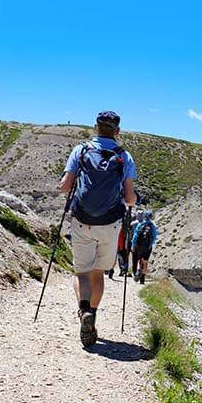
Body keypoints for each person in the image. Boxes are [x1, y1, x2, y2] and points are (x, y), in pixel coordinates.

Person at [58, 110, 137, 347]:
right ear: (117, 131)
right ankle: (93, 311)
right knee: (98, 273)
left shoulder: (80, 151)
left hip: (83, 220)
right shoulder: (124, 156)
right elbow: (130, 199)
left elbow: (65, 187)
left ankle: (83, 311)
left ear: (95, 127)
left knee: (82, 272)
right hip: (110, 223)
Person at [131, 209, 158, 284]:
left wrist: (133, 245)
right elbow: (155, 236)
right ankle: (142, 278)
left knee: (140, 260)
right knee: (145, 262)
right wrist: (150, 244)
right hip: (148, 247)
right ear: (151, 217)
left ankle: (138, 273)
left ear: (144, 216)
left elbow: (135, 235)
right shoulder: (152, 226)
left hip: (139, 247)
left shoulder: (140, 224)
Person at [129, 208, 144, 276]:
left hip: (134, 243)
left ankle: (134, 272)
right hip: (143, 244)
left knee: (134, 259)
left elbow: (131, 234)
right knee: (141, 259)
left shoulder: (133, 223)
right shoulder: (146, 223)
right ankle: (141, 273)